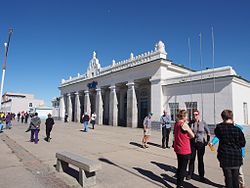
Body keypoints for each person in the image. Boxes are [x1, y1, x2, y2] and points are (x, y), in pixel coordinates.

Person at [214, 110, 246, 188]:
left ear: (223, 118)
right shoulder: (238, 130)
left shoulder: (220, 128)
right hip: (236, 157)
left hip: (225, 156)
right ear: (232, 117)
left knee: (228, 178)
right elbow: (243, 143)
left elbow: (216, 133)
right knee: (235, 179)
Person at [187, 110, 210, 181]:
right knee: (191, 159)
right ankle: (190, 174)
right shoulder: (190, 123)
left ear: (199, 115)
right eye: (193, 115)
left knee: (200, 160)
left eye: (196, 114)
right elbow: (187, 131)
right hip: (192, 143)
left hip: (200, 143)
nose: (195, 116)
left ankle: (201, 176)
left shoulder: (203, 123)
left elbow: (208, 132)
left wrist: (207, 141)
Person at [174, 110, 194, 188]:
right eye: (187, 115)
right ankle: (180, 185)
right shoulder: (183, 124)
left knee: (180, 167)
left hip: (178, 148)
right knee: (183, 169)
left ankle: (178, 184)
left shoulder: (176, 124)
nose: (187, 117)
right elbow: (192, 135)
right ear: (184, 116)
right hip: (184, 149)